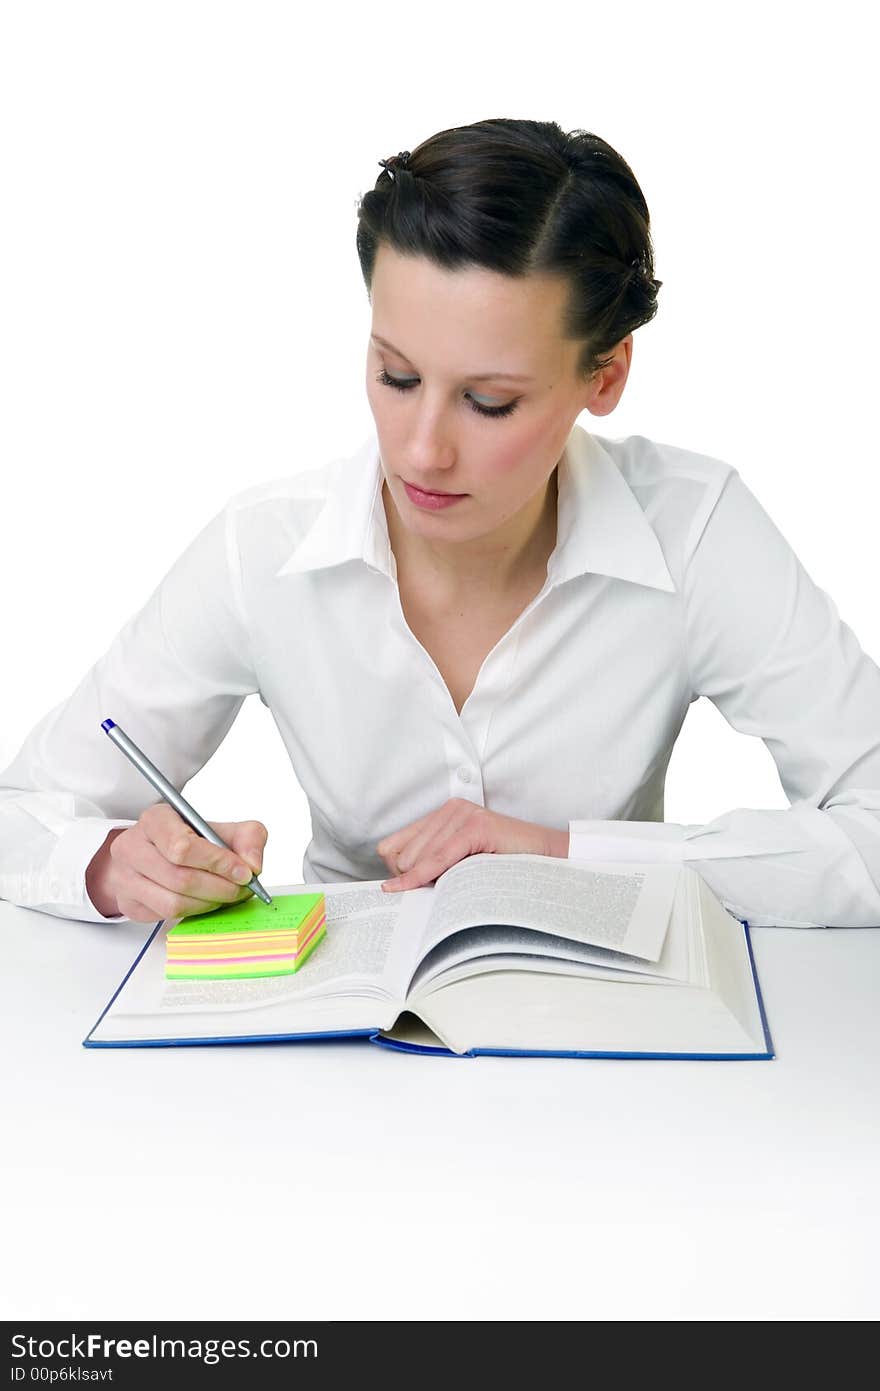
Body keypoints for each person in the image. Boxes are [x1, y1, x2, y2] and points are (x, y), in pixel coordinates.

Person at [3, 116, 880, 929]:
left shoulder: (695, 529)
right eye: (396, 376)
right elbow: (21, 815)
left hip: (610, 1058)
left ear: (605, 375)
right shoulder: (264, 548)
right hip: (338, 1054)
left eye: (489, 402)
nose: (422, 451)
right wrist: (115, 865)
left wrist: (562, 854)